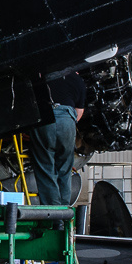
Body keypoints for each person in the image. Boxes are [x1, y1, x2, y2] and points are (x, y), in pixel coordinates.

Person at [29, 71, 87, 206]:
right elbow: (79, 112)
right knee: (65, 169)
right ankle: (64, 210)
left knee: (45, 167)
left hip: (45, 120)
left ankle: (52, 214)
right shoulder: (77, 79)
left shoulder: (40, 75)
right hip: (67, 121)